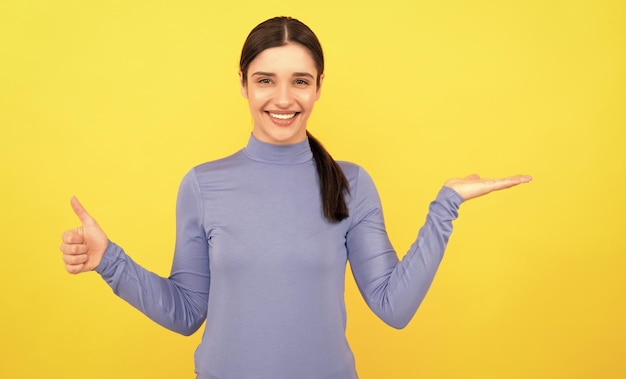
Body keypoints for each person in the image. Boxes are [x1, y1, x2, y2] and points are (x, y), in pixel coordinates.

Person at [59, 16, 532, 379]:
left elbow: (394, 306)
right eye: (266, 79)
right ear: (243, 83)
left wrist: (445, 205)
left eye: (300, 81)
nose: (283, 98)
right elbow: (186, 314)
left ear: (318, 87)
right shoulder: (203, 185)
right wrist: (110, 261)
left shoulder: (351, 184)